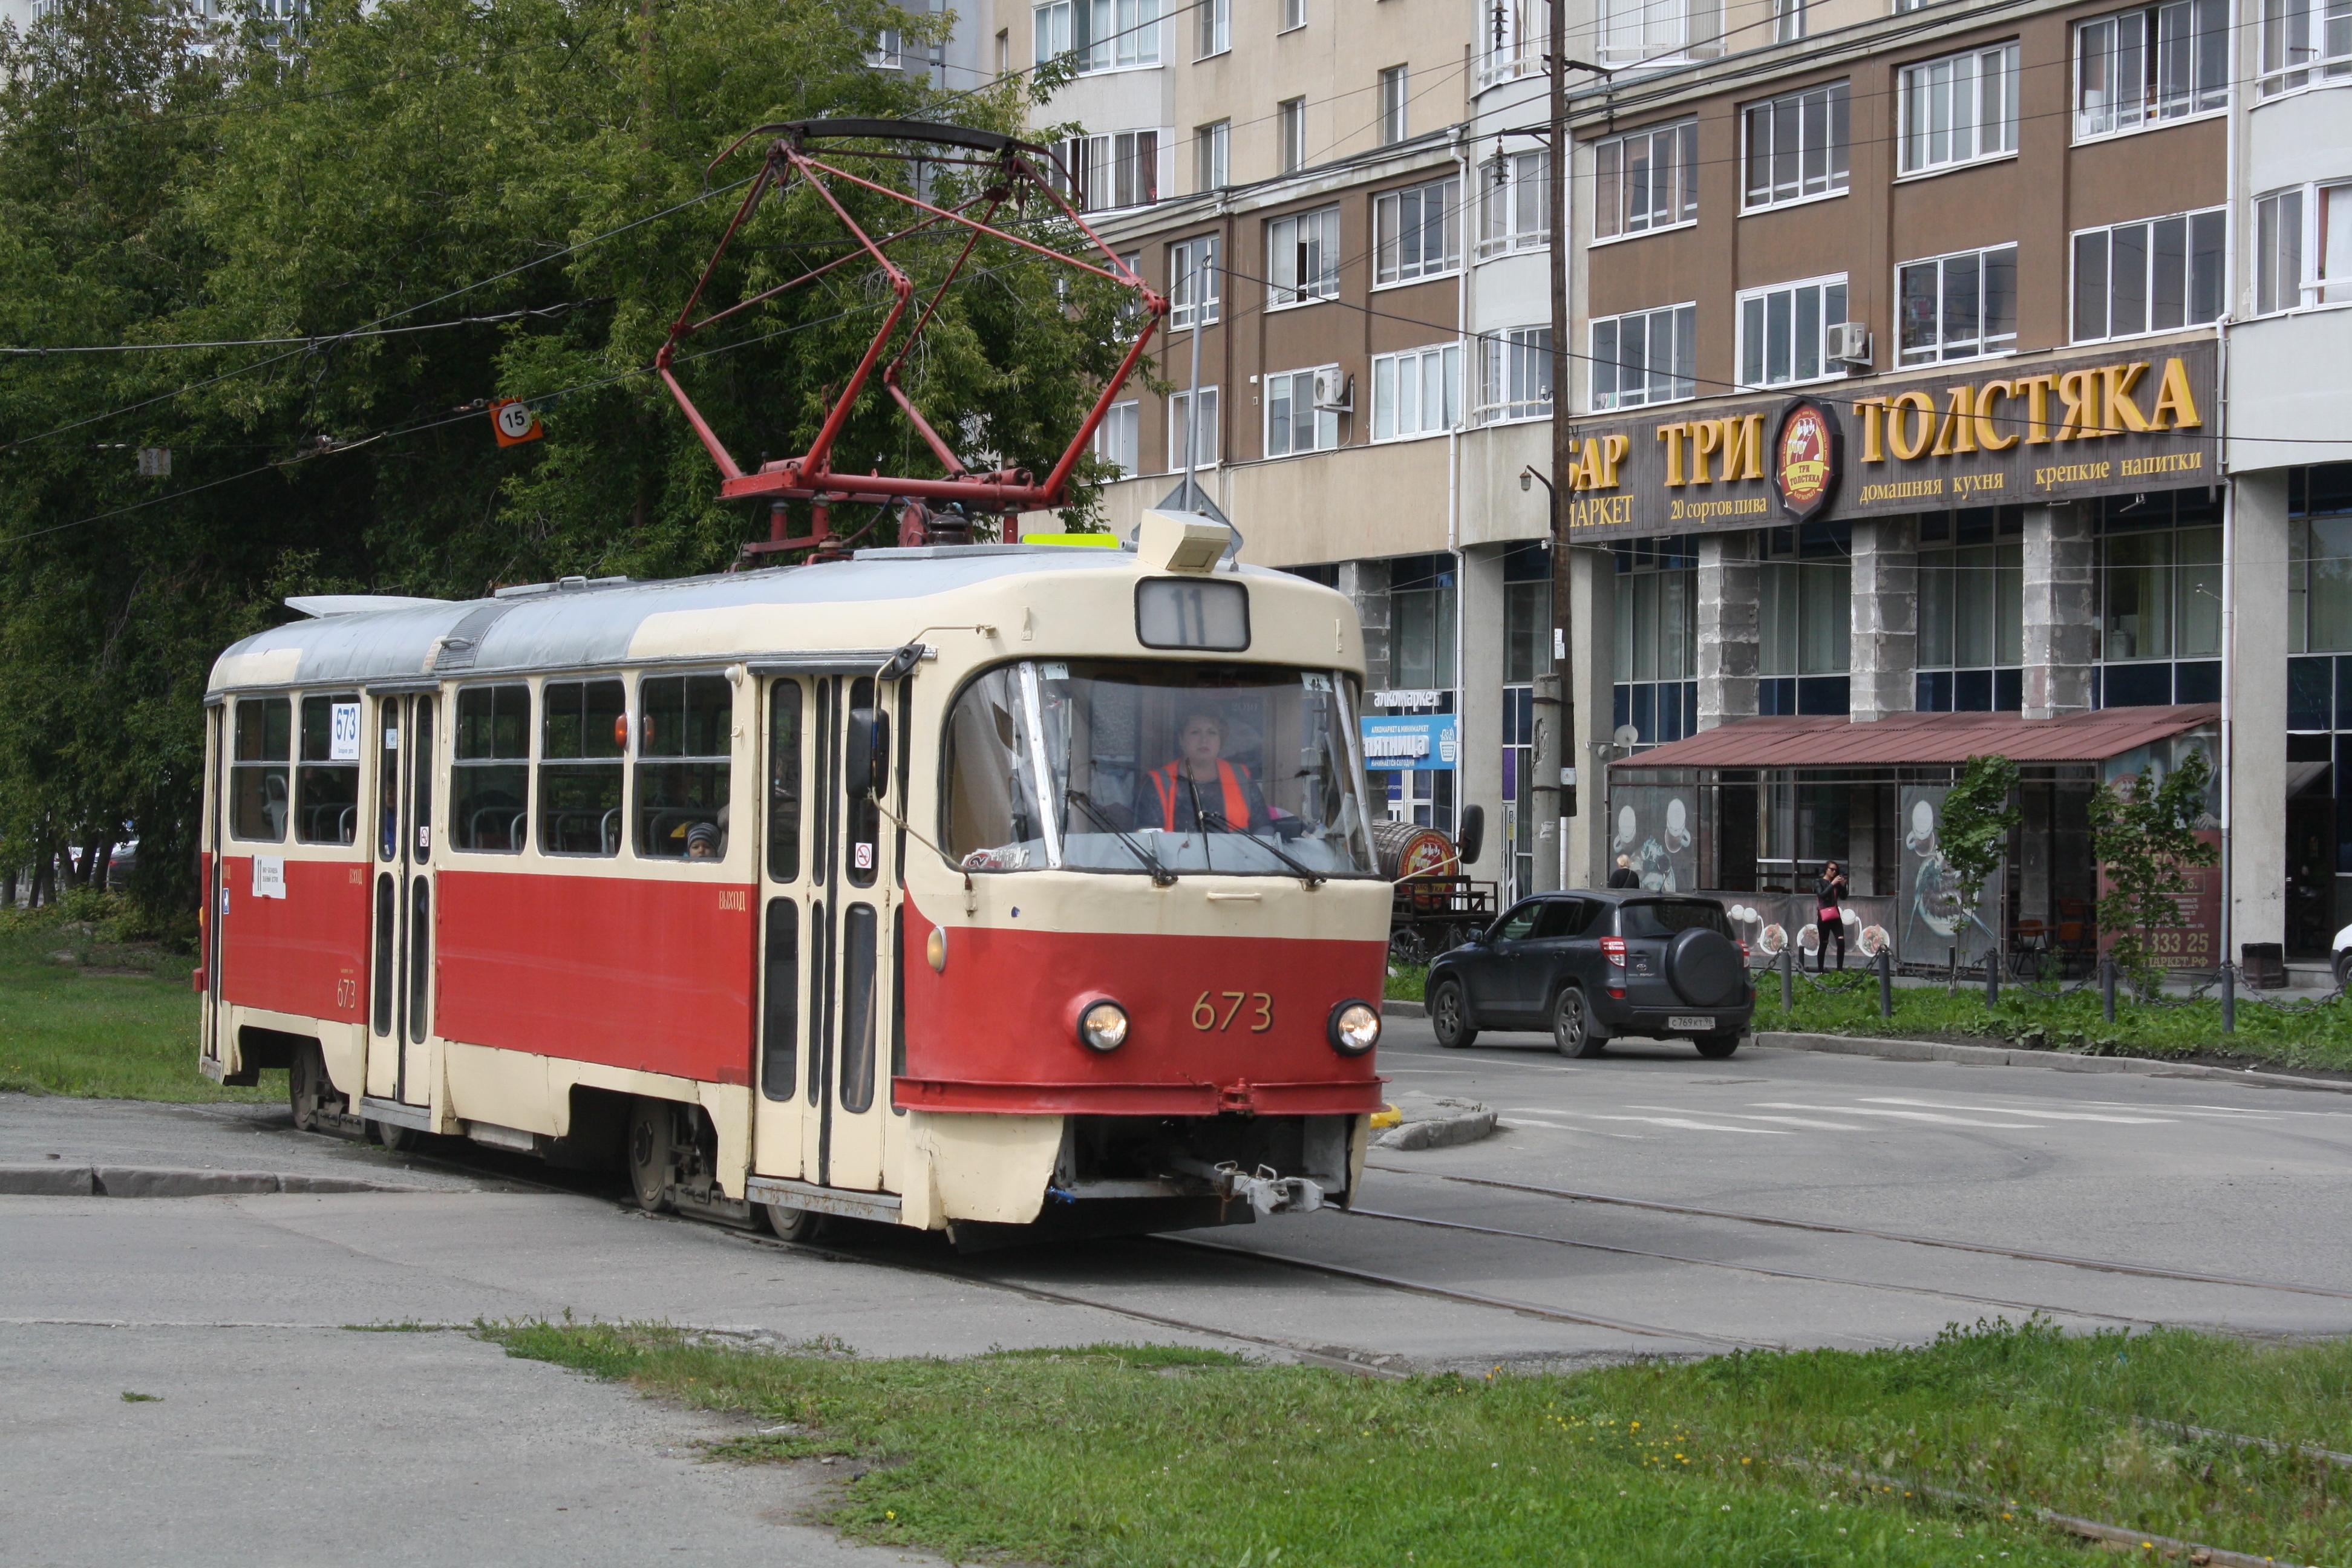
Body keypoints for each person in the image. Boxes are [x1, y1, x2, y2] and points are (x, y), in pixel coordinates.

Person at [1140, 710, 1270, 833]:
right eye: (1195, 732)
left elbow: (1264, 829)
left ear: (1221, 740)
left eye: (1212, 732)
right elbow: (1146, 837)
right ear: (1181, 740)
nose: (1204, 740)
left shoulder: (1241, 776)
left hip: (1236, 856)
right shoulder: (1158, 781)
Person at [1815, 859, 1849, 972]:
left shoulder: (1836, 884)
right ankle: (1820, 971)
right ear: (1826, 870)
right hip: (1824, 917)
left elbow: (1844, 897)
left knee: (1841, 942)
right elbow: (1821, 895)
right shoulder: (1819, 882)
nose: (1834, 872)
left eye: (1836, 870)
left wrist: (1843, 886)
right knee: (1824, 944)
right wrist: (1832, 884)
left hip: (1835, 916)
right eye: (1832, 869)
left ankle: (1839, 970)